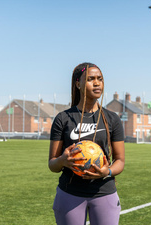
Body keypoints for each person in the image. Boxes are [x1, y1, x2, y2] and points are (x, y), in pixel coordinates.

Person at [49, 62, 125, 225]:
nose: (97, 83)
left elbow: (120, 161)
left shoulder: (112, 119)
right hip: (70, 193)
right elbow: (52, 164)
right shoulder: (63, 119)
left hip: (104, 192)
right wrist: (62, 161)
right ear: (78, 84)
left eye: (100, 79)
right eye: (91, 79)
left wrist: (107, 172)